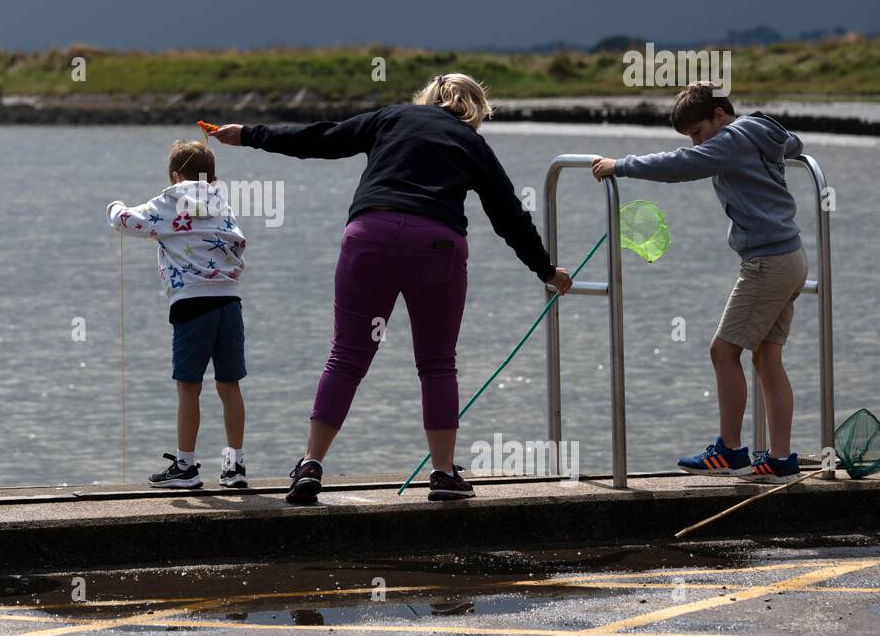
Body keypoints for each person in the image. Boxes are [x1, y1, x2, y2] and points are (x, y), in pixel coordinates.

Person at [211, 74, 571, 503]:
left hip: (370, 236)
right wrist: (545, 269)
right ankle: (442, 474)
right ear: (475, 109)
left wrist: (251, 135)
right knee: (437, 363)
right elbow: (509, 213)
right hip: (436, 246)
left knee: (345, 356)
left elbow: (321, 138)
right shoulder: (471, 142)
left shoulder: (391, 118)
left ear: (425, 98)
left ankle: (310, 464)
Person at [591, 82, 808, 483]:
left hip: (767, 262)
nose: (695, 143)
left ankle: (729, 449)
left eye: (697, 132)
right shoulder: (759, 131)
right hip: (792, 257)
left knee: (723, 352)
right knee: (766, 358)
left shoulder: (729, 141)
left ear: (719, 116)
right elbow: (792, 144)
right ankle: (780, 457)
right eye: (690, 137)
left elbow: (679, 166)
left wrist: (619, 165)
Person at [107, 140, 249, 489]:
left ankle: (185, 466)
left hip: (191, 303)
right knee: (229, 385)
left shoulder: (173, 200)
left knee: (189, 386)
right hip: (229, 302)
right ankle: (234, 467)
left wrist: (114, 206)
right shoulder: (223, 204)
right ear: (213, 176)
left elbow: (128, 221)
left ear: (175, 174)